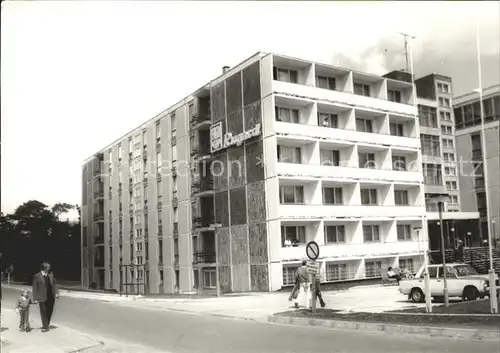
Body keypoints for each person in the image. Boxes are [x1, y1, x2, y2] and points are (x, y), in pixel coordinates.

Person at [32, 262, 59, 332]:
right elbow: (35, 288)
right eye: (48, 267)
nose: (49, 268)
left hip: (51, 296)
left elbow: (55, 284)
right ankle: (45, 326)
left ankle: (46, 324)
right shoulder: (37, 276)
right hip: (42, 297)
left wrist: (56, 293)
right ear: (44, 268)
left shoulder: (51, 275)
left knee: (50, 311)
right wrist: (35, 298)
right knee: (43, 311)